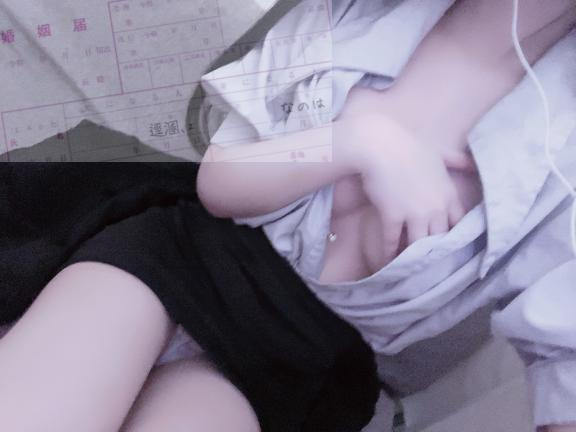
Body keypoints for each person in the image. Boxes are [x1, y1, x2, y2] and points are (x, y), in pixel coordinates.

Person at [198, 0, 576, 431]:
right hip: (188, 259)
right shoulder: (349, 12)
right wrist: (362, 142)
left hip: (295, 369)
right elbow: (219, 178)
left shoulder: (560, 172)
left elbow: (563, 360)